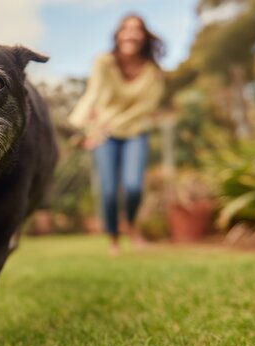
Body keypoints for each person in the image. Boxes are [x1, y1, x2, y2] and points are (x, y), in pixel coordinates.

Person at [69, 14, 166, 255]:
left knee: (133, 187)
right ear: (118, 35)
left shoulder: (153, 73)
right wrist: (79, 124)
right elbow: (93, 93)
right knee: (109, 191)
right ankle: (113, 238)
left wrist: (110, 124)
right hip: (103, 135)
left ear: (143, 37)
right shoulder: (104, 62)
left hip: (134, 132)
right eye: (126, 29)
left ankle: (131, 225)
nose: (131, 33)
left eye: (137, 29)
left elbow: (144, 109)